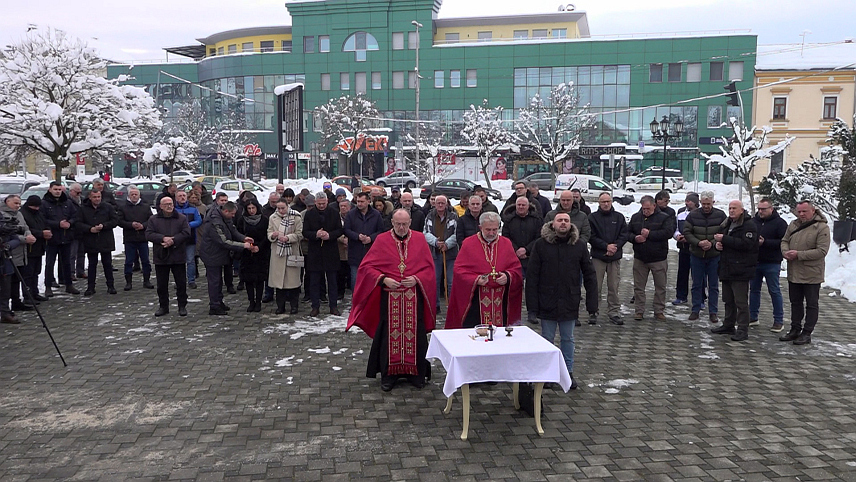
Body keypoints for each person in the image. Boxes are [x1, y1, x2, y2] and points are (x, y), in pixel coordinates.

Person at [347, 209, 437, 392]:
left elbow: (429, 269)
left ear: (410, 222)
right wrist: (383, 279)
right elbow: (367, 268)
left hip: (413, 298)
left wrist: (417, 279)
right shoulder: (382, 240)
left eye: (404, 224)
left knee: (416, 335)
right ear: (392, 223)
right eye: (398, 224)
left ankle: (416, 374)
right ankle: (389, 375)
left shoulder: (420, 239)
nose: (401, 227)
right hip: (390, 298)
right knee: (389, 336)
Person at [526, 212, 597, 389]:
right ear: (553, 224)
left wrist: (592, 304)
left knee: (568, 338)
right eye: (560, 220)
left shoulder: (579, 245)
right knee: (547, 338)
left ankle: (567, 373)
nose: (563, 223)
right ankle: (548, 373)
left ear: (570, 224)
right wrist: (532, 307)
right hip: (547, 299)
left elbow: (589, 274)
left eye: (566, 220)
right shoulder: (541, 245)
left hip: (569, 299)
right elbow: (532, 276)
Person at [445, 212, 524, 328]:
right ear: (480, 227)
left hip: (500, 299)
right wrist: (475, 279)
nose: (492, 233)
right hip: (476, 299)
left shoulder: (506, 243)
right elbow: (459, 270)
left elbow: (516, 268)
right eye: (488, 230)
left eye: (495, 230)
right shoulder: (468, 243)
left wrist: (507, 276)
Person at [779, 200, 830, 345]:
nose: (801, 214)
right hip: (794, 272)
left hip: (811, 274)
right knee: (795, 302)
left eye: (804, 211)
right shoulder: (793, 225)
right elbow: (784, 240)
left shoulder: (821, 227)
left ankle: (807, 332)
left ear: (813, 211)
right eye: (799, 211)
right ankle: (795, 329)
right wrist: (785, 252)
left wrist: (799, 255)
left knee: (811, 304)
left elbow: (821, 251)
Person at [710, 200, 759, 341]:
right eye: (730, 208)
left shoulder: (749, 225)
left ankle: (743, 329)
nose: (731, 211)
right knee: (728, 299)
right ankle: (728, 324)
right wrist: (717, 245)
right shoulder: (727, 223)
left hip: (741, 269)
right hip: (726, 267)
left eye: (734, 208)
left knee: (741, 301)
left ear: (742, 210)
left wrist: (724, 239)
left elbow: (747, 244)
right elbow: (720, 240)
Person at [199, 201, 253, 315]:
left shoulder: (224, 217)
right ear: (226, 211)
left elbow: (232, 230)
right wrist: (243, 246)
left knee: (218, 280)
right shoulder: (214, 222)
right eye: (232, 214)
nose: (233, 216)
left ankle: (218, 301)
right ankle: (214, 305)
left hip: (219, 254)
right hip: (211, 254)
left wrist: (244, 238)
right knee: (214, 281)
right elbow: (223, 241)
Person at [683, 191, 727, 323]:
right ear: (700, 203)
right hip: (697, 254)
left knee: (713, 285)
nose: (706, 206)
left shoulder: (720, 215)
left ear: (713, 202)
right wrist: (698, 242)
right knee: (697, 284)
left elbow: (723, 232)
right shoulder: (693, 215)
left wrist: (712, 244)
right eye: (704, 204)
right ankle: (695, 309)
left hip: (714, 255)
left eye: (708, 203)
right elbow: (687, 231)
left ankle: (713, 312)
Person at [145, 196, 191, 317]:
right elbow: (149, 234)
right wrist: (162, 238)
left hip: (178, 255)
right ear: (160, 206)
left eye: (171, 204)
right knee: (162, 284)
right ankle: (163, 306)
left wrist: (173, 240)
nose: (169, 206)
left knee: (181, 283)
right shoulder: (153, 219)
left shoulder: (181, 218)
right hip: (161, 255)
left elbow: (186, 233)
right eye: (166, 204)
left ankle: (182, 306)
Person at [588, 192, 630, 325]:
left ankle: (614, 312)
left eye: (608, 201)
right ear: (599, 203)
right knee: (596, 286)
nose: (606, 204)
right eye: (603, 202)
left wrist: (615, 247)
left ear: (611, 202)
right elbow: (591, 236)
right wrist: (605, 246)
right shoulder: (592, 218)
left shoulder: (619, 217)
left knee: (614, 286)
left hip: (614, 257)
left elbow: (624, 234)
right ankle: (593, 311)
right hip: (598, 256)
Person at [629, 195, 671, 321]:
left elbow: (668, 232)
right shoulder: (636, 217)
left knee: (660, 286)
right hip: (640, 258)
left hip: (658, 258)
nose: (645, 211)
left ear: (654, 205)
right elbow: (627, 232)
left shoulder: (664, 217)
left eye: (648, 208)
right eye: (643, 209)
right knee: (639, 287)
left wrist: (650, 234)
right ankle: (639, 311)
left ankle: (659, 310)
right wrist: (635, 238)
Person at [302, 191, 344, 317]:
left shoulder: (334, 213)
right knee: (314, 281)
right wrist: (316, 234)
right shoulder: (309, 214)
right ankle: (315, 306)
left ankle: (333, 306)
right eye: (319, 204)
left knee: (332, 281)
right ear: (315, 202)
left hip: (330, 251)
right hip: (315, 252)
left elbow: (339, 230)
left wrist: (329, 235)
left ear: (327, 202)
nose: (321, 206)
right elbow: (305, 232)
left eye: (323, 203)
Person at [750, 198, 788, 332]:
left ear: (771, 209)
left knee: (774, 291)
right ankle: (752, 317)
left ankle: (778, 320)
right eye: (759, 209)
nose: (760, 211)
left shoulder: (780, 223)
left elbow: (783, 242)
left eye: (763, 209)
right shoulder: (753, 222)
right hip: (755, 261)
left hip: (772, 262)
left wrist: (765, 242)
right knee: (754, 290)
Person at [76, 190, 119, 296]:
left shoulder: (107, 207)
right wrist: (90, 229)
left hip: (105, 239)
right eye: (94, 197)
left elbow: (115, 220)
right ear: (90, 197)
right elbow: (78, 223)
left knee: (107, 264)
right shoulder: (83, 209)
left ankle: (111, 286)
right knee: (92, 265)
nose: (97, 199)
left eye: (99, 197)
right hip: (91, 240)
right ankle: (91, 287)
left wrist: (104, 226)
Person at [42, 182, 80, 296]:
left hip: (66, 236)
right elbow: (42, 219)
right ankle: (48, 286)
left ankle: (68, 285)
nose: (58, 191)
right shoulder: (44, 203)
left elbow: (75, 216)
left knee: (67, 262)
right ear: (50, 189)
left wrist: (70, 223)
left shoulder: (67, 202)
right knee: (50, 263)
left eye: (59, 189)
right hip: (52, 238)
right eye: (55, 189)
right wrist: (58, 224)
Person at [267, 200, 304, 315]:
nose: (281, 210)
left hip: (291, 252)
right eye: (278, 208)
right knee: (279, 284)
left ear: (288, 207)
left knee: (293, 283)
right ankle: (280, 306)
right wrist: (273, 235)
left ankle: (294, 306)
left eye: (283, 208)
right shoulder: (272, 218)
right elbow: (269, 232)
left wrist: (288, 238)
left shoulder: (296, 217)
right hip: (278, 253)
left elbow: (300, 234)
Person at [0, 195, 36, 312]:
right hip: (9, 252)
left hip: (22, 251)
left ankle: (16, 302)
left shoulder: (19, 214)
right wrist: (24, 239)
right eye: (15, 203)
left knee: (17, 279)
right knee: (8, 281)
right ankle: (6, 308)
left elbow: (25, 227)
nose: (18, 206)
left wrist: (28, 235)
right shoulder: (3, 215)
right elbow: (9, 234)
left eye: (19, 203)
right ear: (7, 202)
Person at [344, 191, 384, 289]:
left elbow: (381, 231)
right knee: (355, 280)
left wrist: (371, 238)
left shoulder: (376, 214)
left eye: (362, 201)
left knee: (371, 279)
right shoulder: (351, 214)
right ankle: (356, 302)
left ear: (368, 201)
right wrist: (357, 236)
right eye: (358, 201)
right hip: (355, 252)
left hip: (372, 252)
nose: (359, 204)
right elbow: (346, 230)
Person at [423, 195, 458, 308]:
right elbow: (426, 233)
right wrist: (435, 242)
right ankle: (436, 306)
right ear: (434, 203)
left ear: (447, 203)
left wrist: (447, 244)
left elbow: (457, 233)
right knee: (435, 280)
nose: (441, 205)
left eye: (443, 203)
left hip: (451, 253)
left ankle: (452, 306)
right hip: (435, 253)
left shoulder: (453, 216)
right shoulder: (429, 216)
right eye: (438, 203)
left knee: (451, 281)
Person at [117, 186, 154, 291]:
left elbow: (151, 220)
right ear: (128, 196)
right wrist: (131, 225)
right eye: (132, 194)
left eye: (136, 194)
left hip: (143, 238)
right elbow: (119, 221)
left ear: (139, 195)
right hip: (130, 238)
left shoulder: (145, 207)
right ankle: (128, 282)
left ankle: (147, 280)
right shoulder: (123, 207)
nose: (134, 196)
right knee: (129, 261)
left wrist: (143, 225)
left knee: (145, 260)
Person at [237, 199, 270, 312]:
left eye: (253, 208)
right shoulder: (242, 220)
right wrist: (249, 245)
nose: (251, 211)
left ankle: (258, 302)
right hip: (247, 252)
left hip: (261, 251)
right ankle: (251, 301)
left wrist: (258, 247)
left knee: (260, 279)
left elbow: (267, 236)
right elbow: (239, 234)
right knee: (248, 279)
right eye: (249, 208)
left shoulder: (264, 219)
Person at [501, 196, 542, 279]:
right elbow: (505, 237)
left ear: (528, 206)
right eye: (519, 205)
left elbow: (539, 237)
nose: (521, 207)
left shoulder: (536, 220)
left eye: (523, 205)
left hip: (532, 257)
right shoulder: (509, 220)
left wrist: (526, 249)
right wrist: (516, 250)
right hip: (513, 258)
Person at [20, 196, 50, 304]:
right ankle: (27, 296)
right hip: (29, 248)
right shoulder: (23, 214)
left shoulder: (39, 213)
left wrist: (47, 231)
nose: (36, 208)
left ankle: (34, 292)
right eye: (34, 206)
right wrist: (40, 233)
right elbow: (25, 229)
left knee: (36, 272)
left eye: (38, 206)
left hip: (39, 246)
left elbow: (45, 224)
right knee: (28, 273)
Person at [673, 193, 700, 305]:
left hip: (697, 249)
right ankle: (681, 296)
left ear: (695, 202)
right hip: (683, 248)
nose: (687, 203)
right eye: (686, 200)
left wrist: (689, 238)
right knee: (682, 273)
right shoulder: (680, 212)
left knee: (698, 275)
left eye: (689, 201)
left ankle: (700, 298)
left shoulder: (701, 213)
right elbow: (676, 228)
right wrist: (678, 236)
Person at [174, 190, 202, 290]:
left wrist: (187, 225)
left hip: (190, 239)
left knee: (190, 260)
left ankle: (191, 281)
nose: (182, 197)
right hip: (177, 239)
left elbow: (199, 221)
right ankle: (179, 281)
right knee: (178, 261)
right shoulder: (173, 209)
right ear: (176, 198)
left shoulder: (193, 208)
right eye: (180, 196)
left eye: (184, 196)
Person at [0, 211, 23, 324]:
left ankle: (5, 313)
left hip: (4, 260)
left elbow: (16, 239)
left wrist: (8, 245)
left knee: (5, 289)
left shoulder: (4, 220)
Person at [66, 183, 86, 280]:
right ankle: (71, 272)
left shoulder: (83, 200)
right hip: (72, 231)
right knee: (72, 254)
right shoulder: (67, 201)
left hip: (82, 230)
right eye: (76, 192)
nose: (79, 194)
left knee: (82, 253)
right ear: (71, 191)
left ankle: (80, 271)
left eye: (80, 192)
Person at [337, 199, 351, 299]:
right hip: (339, 248)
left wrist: (349, 239)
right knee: (340, 272)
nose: (343, 208)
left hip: (352, 248)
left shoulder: (353, 217)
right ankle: (340, 292)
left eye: (345, 206)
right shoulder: (336, 217)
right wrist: (342, 239)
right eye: (341, 206)